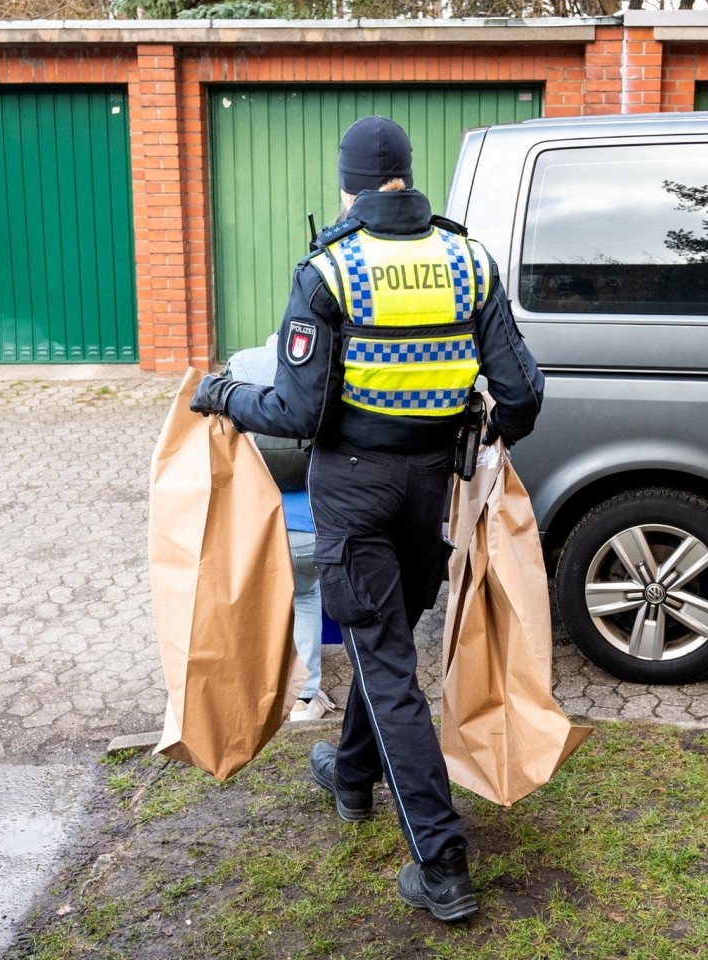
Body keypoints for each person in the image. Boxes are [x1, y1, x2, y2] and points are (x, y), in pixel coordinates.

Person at [190, 115, 543, 922]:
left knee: (385, 663)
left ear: (346, 185)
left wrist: (224, 397)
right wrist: (488, 433)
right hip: (430, 490)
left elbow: (294, 407)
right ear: (406, 179)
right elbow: (520, 394)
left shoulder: (330, 271)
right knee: (385, 636)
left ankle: (443, 861)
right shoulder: (468, 257)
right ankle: (350, 775)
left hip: (353, 487)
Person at [224, 336, 335, 723]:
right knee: (305, 596)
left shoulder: (242, 365)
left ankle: (255, 686)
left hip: (259, 525)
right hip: (314, 525)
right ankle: (305, 698)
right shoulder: (330, 367)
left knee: (262, 602)